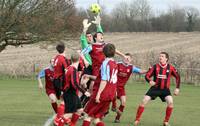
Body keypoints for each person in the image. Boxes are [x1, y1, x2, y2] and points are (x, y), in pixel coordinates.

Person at [133, 52, 181, 126]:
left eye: (162, 56)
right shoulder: (155, 67)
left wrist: (177, 88)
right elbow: (147, 75)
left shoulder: (170, 67)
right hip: (155, 89)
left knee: (170, 102)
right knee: (144, 101)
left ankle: (166, 122)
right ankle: (137, 120)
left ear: (166, 58)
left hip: (165, 90)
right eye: (160, 56)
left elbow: (178, 77)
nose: (160, 57)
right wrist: (150, 81)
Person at [82, 43, 118, 126]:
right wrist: (89, 76)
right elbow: (107, 79)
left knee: (88, 116)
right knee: (96, 119)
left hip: (102, 94)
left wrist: (98, 95)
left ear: (103, 53)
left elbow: (104, 80)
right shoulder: (114, 64)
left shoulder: (105, 63)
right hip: (110, 95)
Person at [111, 53, 147, 123]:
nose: (126, 59)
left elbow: (140, 71)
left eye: (128, 58)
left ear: (131, 60)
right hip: (114, 86)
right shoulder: (117, 64)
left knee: (123, 103)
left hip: (121, 88)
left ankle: (117, 118)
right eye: (125, 58)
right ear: (123, 58)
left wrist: (149, 70)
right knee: (112, 97)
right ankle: (112, 107)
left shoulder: (131, 67)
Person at [57, 52, 90, 126]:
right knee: (69, 114)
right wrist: (84, 92)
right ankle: (59, 123)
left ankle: (72, 124)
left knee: (79, 110)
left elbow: (62, 80)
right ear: (79, 60)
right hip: (70, 93)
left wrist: (62, 91)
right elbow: (75, 83)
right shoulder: (73, 70)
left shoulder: (68, 68)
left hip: (70, 93)